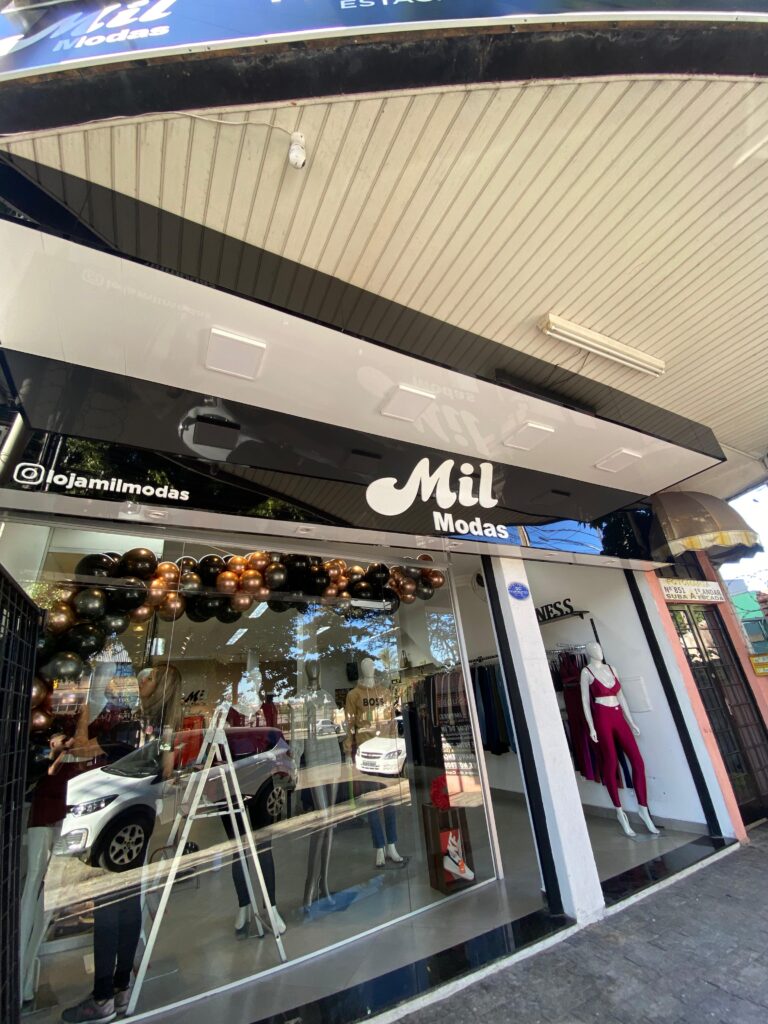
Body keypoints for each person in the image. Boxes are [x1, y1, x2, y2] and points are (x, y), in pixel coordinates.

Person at [61, 664, 181, 1023]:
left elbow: (82, 749)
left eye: (149, 677)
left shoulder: (132, 725)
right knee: (128, 900)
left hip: (113, 817)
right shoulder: (165, 727)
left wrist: (85, 711)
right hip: (139, 819)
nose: (141, 680)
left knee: (107, 905)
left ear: (158, 686)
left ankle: (102, 997)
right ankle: (121, 988)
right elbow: (168, 768)